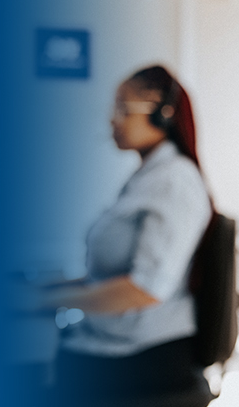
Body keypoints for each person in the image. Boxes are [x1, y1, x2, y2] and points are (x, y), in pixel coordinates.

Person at [33, 65, 214, 406]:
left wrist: (45, 302)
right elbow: (109, 274)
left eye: (123, 109)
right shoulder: (148, 177)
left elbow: (146, 288)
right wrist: (49, 289)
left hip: (143, 354)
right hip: (114, 341)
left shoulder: (173, 181)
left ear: (162, 114)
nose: (113, 120)